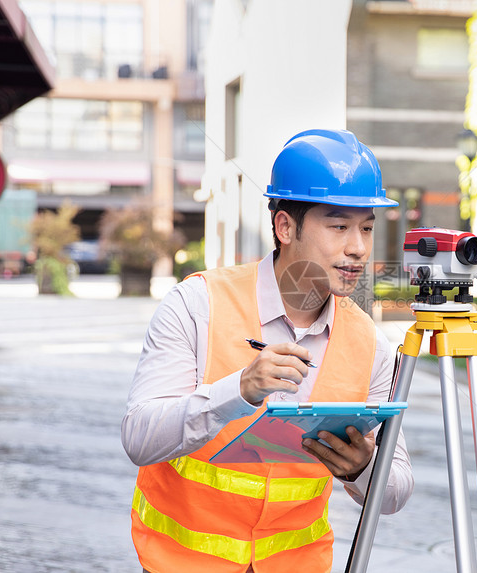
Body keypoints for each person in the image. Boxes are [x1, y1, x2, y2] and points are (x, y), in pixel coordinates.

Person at [122, 129, 414, 573]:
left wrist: (362, 468)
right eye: (339, 226)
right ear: (285, 227)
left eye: (367, 228)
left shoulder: (369, 342)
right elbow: (140, 438)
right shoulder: (197, 304)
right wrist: (237, 390)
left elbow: (395, 491)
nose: (358, 247)